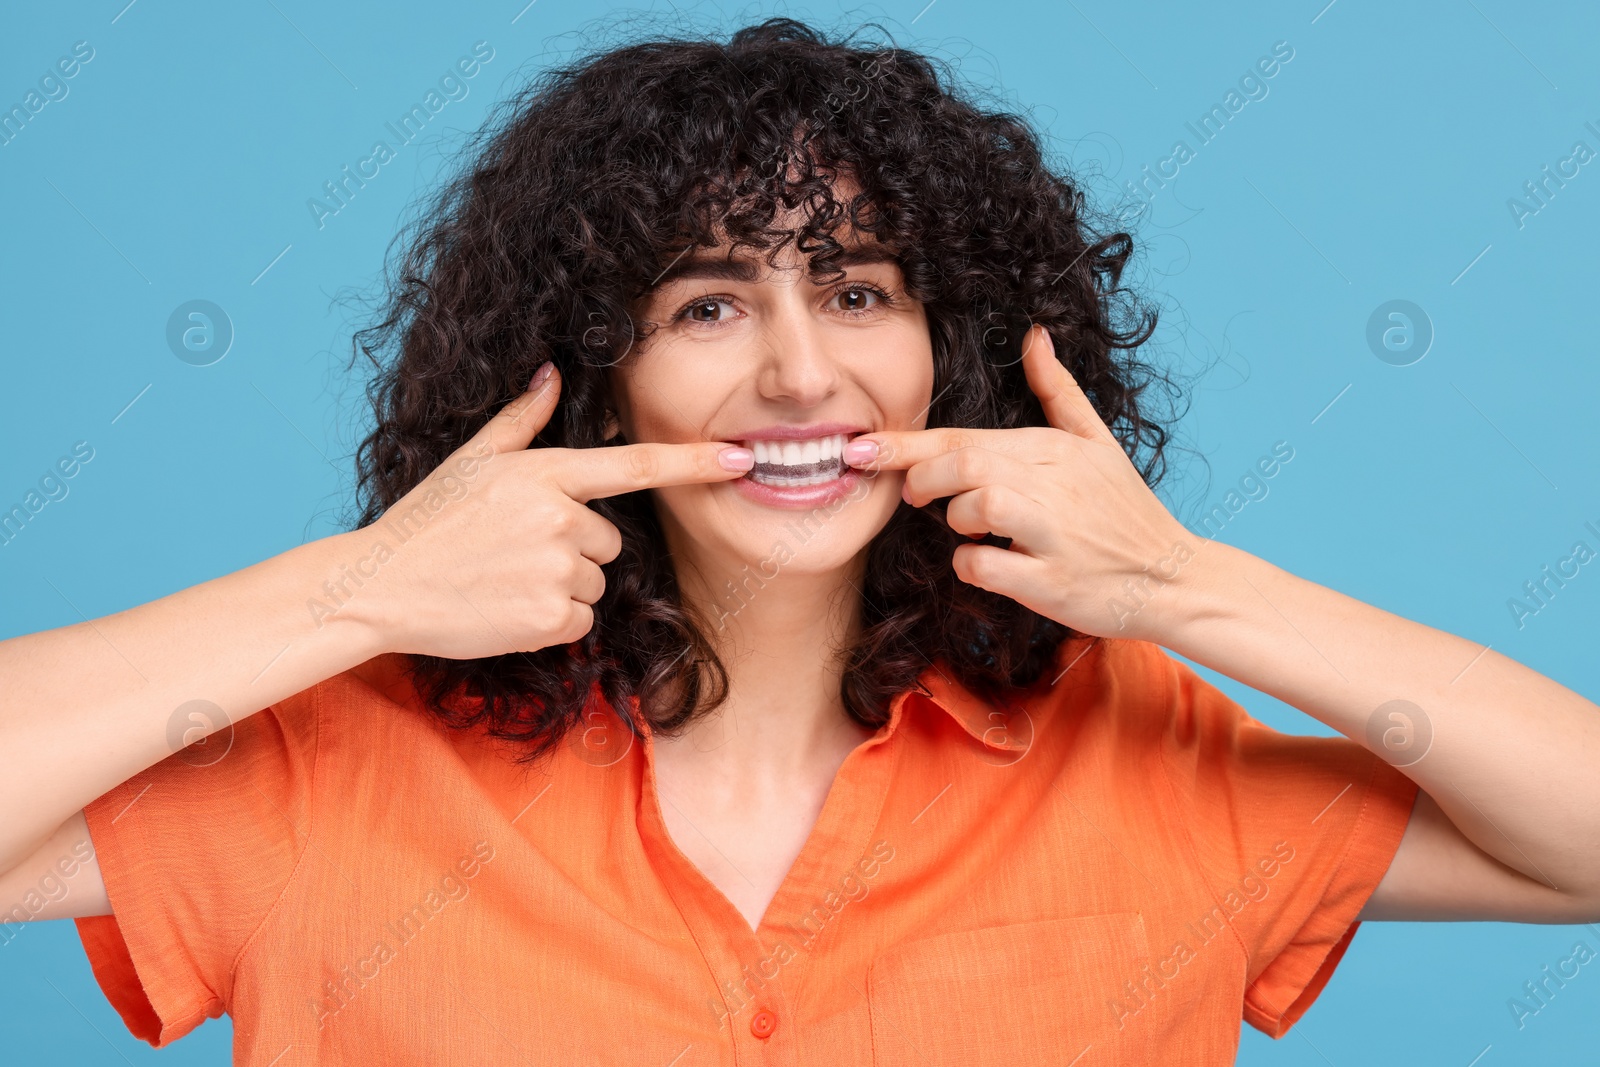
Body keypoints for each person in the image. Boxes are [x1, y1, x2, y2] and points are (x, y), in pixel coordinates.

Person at [2, 15, 1596, 1066]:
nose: (799, 372)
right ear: (592, 365)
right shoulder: (331, 770)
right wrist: (353, 593)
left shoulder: (1141, 750)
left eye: (856, 292)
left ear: (949, 350)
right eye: (710, 301)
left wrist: (1188, 586)